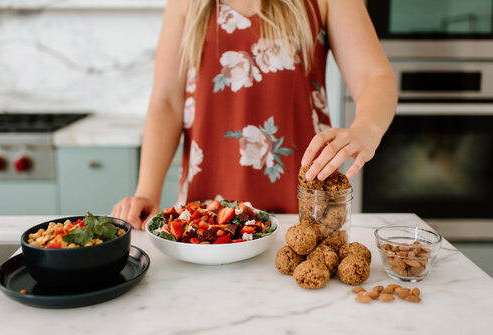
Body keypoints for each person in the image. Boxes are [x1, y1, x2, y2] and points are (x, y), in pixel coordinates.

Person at [112, 0, 397, 229]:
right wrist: (148, 192)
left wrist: (366, 129)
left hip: (304, 218)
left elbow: (375, 76)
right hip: (204, 222)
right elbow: (166, 101)